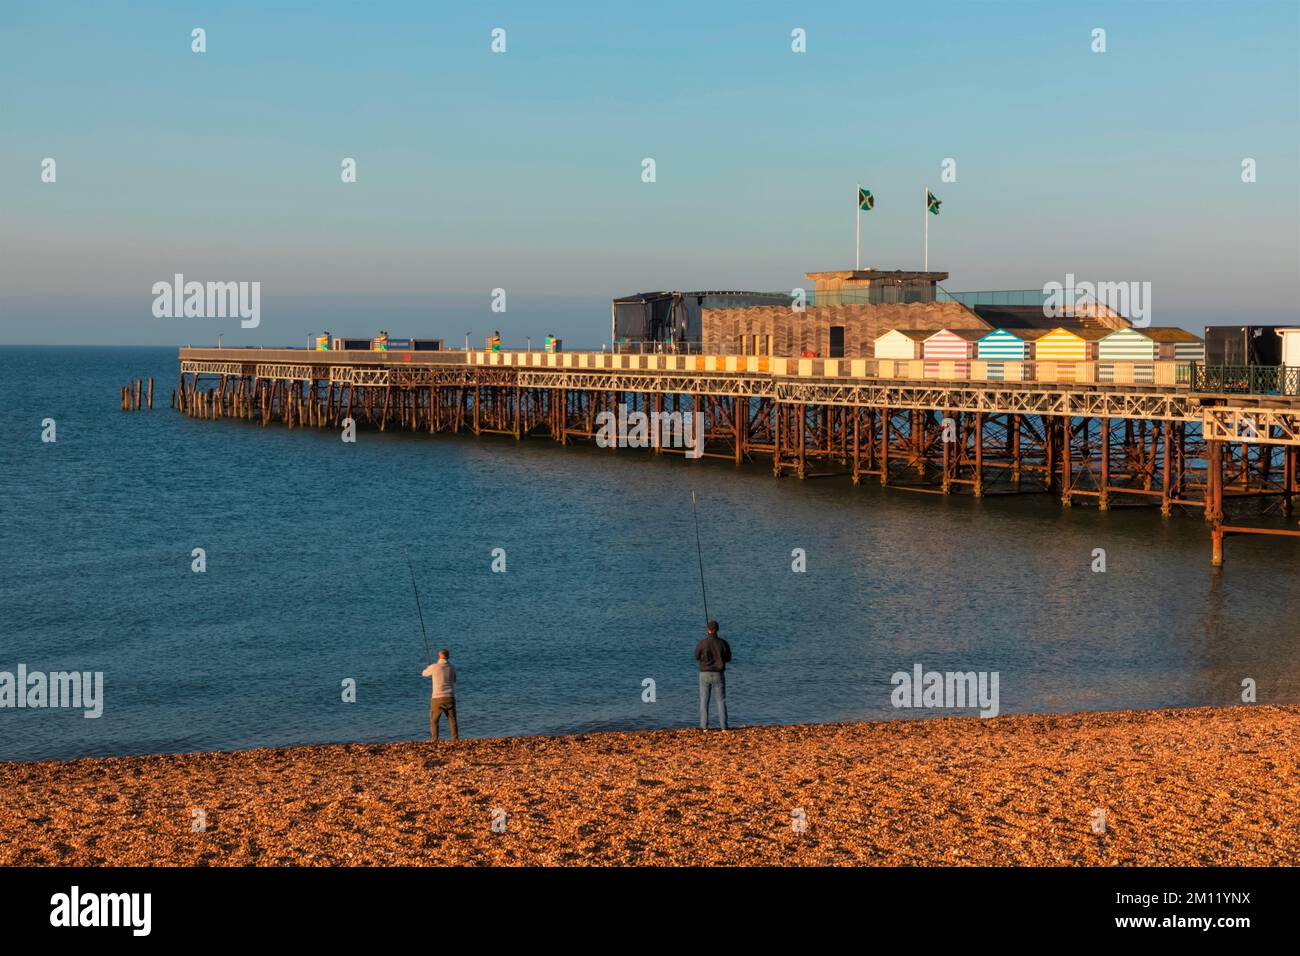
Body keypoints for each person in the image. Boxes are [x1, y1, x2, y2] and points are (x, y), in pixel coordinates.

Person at [694, 620, 731, 729]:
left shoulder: (702, 643)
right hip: (718, 674)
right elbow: (728, 658)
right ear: (717, 630)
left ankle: (704, 727)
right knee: (721, 701)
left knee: (704, 701)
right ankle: (724, 727)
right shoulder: (723, 643)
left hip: (704, 674)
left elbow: (696, 656)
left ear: (708, 630)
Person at [421, 648, 458, 741]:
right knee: (452, 720)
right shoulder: (452, 667)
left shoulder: (434, 666)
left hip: (437, 698)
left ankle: (434, 740)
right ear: (448, 657)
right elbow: (454, 680)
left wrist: (428, 667)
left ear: (439, 656)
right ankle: (455, 739)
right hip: (450, 696)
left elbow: (424, 674)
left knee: (434, 720)